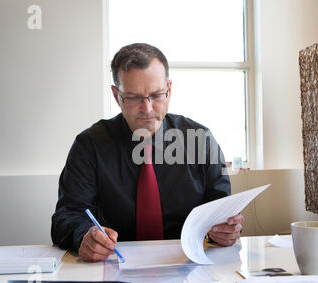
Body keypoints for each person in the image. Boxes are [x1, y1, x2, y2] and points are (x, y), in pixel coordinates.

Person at [51, 43, 243, 262]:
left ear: (169, 90)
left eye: (157, 95)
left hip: (189, 267)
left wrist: (226, 231)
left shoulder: (200, 140)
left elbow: (222, 214)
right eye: (133, 98)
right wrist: (84, 235)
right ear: (116, 95)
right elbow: (66, 217)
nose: (147, 109)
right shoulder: (89, 146)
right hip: (113, 266)